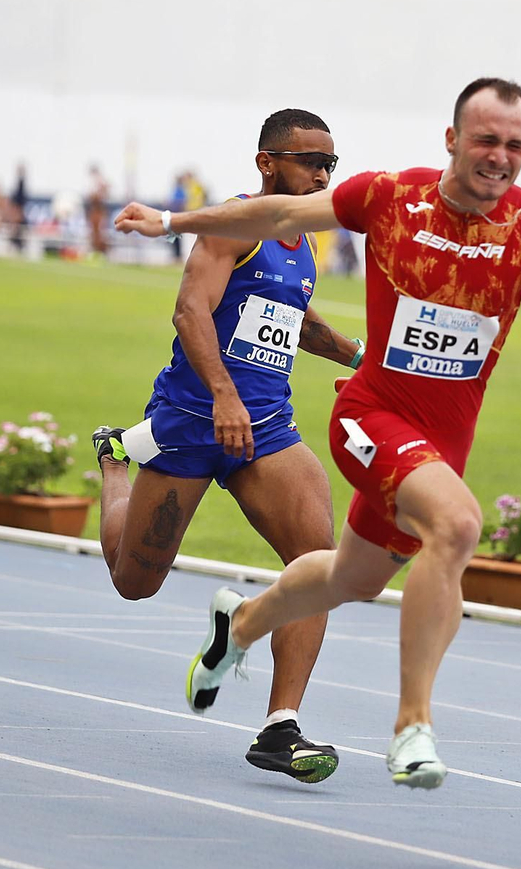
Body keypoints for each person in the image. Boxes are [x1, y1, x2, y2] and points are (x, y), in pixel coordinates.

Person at [114, 78, 521, 790]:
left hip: (410, 436)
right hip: (357, 416)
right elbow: (276, 216)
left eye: (515, 144)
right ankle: (412, 727)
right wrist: (172, 222)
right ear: (452, 139)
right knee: (454, 524)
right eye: (486, 139)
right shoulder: (391, 196)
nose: (500, 157)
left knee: (344, 576)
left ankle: (244, 639)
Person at [94, 109, 364, 784]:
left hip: (267, 427)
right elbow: (190, 311)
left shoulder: (304, 241)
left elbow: (292, 322)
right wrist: (223, 395)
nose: (323, 175)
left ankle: (280, 728)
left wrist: (361, 357)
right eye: (310, 161)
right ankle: (114, 461)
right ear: (267, 163)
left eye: (331, 163)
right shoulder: (231, 225)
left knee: (319, 564)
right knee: (134, 582)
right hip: (192, 419)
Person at [86, 163, 110, 256]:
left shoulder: (99, 181)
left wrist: (99, 193)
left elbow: (104, 191)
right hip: (94, 209)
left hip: (99, 210)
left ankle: (101, 252)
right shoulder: (93, 182)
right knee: (94, 233)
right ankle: (95, 251)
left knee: (100, 233)